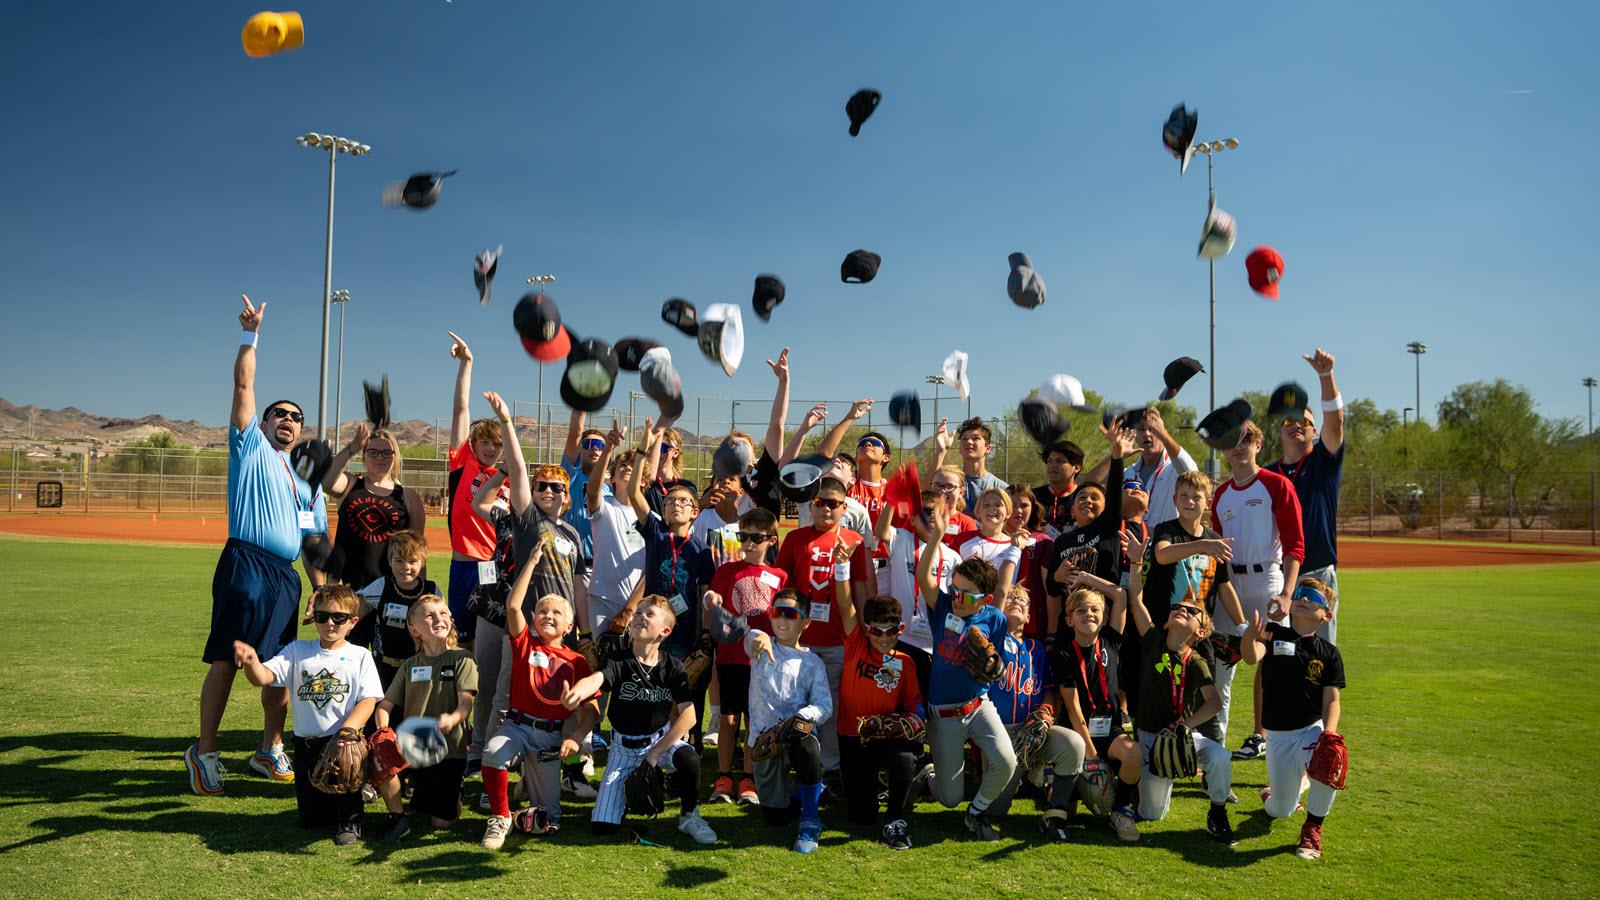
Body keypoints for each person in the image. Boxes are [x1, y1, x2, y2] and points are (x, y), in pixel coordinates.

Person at [188, 295, 329, 796]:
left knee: (277, 671)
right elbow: (243, 383)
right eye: (279, 414)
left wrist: (320, 589)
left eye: (296, 417)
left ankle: (268, 749)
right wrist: (251, 335)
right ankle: (204, 752)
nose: (288, 420)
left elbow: (313, 539)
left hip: (284, 577)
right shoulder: (250, 448)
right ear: (264, 423)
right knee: (227, 662)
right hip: (245, 563)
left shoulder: (305, 479)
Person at [471, 392, 590, 796]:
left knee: (564, 705)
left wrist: (584, 632)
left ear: (567, 496)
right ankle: (493, 774)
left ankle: (566, 772)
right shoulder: (526, 521)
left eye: (558, 488)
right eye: (543, 486)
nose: (550, 492)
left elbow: (578, 586)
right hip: (526, 631)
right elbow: (518, 472)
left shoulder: (572, 534)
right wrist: (506, 420)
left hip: (565, 633)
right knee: (506, 702)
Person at [231, 584, 381, 845]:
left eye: (339, 618)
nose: (330, 623)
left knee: (345, 785)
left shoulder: (360, 656)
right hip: (306, 745)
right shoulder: (297, 651)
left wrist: (348, 731)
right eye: (323, 617)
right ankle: (333, 809)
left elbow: (368, 700)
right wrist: (252, 662)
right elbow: (264, 677)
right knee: (311, 820)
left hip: (341, 742)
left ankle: (351, 820)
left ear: (353, 622)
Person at [562, 595, 717, 845]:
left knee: (688, 757)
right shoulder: (618, 659)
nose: (639, 617)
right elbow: (597, 679)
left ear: (665, 631)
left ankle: (689, 815)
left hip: (660, 743)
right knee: (603, 828)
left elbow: (689, 715)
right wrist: (578, 692)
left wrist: (653, 757)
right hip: (623, 749)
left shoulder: (672, 666)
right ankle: (636, 792)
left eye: (649, 614)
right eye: (638, 612)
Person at [1123, 529, 1236, 846]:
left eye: (1191, 611)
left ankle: (1217, 811)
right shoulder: (1153, 641)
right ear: (1167, 621)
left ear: (1200, 632)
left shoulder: (1197, 661)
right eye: (1178, 608)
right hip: (1149, 739)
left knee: (1220, 757)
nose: (1182, 609)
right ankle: (1134, 792)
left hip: (1182, 738)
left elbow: (1213, 703)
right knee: (1152, 815)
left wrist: (1185, 726)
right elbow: (1136, 600)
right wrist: (1135, 563)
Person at [477, 553, 598, 847]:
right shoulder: (525, 644)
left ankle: (525, 789)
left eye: (557, 613)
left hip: (549, 738)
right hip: (516, 726)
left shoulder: (577, 661)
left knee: (550, 820)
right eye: (542, 611)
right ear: (533, 620)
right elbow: (513, 605)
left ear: (569, 627)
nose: (548, 615)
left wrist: (578, 737)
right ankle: (501, 817)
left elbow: (593, 710)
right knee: (493, 752)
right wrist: (529, 564)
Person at [915, 504, 1016, 842]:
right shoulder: (943, 606)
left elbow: (996, 667)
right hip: (943, 714)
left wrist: (994, 668)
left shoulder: (995, 619)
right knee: (948, 799)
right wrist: (936, 538)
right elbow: (923, 576)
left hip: (978, 705)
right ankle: (930, 776)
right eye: (954, 588)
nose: (956, 597)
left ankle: (976, 814)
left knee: (1006, 761)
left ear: (985, 598)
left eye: (964, 593)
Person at [1212, 420, 1304, 761]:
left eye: (1245, 440)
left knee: (1273, 666)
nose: (1238, 447)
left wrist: (1287, 594)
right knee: (1221, 667)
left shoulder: (1276, 485)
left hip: (1267, 581)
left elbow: (1296, 545)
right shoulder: (1220, 495)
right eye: (1231, 441)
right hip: (1229, 585)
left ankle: (1263, 736)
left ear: (1258, 445)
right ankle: (1215, 747)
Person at [774, 477, 873, 792]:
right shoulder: (795, 538)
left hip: (837, 639)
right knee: (794, 702)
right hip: (800, 640)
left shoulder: (854, 541)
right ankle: (798, 764)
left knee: (828, 706)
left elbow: (861, 592)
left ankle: (830, 767)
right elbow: (783, 588)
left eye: (833, 503)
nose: (826, 508)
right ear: (810, 505)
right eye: (820, 502)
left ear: (845, 508)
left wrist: (863, 637)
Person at [1240, 577, 1346, 861]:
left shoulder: (1329, 653)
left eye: (1313, 599)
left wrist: (1330, 733)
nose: (1303, 600)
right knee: (1280, 809)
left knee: (1328, 764)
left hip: (1310, 729)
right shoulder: (1273, 633)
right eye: (1300, 595)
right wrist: (1251, 635)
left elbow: (1332, 699)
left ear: (1327, 615)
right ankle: (1273, 795)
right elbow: (1251, 657)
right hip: (1278, 736)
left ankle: (1313, 828)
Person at [626, 419, 716, 747]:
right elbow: (636, 491)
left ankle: (683, 755)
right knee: (653, 701)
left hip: (685, 637)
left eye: (684, 502)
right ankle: (650, 754)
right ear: (662, 510)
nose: (676, 505)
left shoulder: (702, 551)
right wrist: (642, 451)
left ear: (695, 512)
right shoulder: (655, 533)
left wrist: (704, 637)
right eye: (670, 502)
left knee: (687, 699)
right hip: (653, 636)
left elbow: (704, 594)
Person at [1138, 471, 1248, 730]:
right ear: (1174, 500)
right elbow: (1163, 555)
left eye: (1196, 497)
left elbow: (1224, 586)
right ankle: (1159, 741)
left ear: (1207, 503)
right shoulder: (1167, 530)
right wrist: (1202, 546)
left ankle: (1202, 744)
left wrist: (1241, 625)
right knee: (1161, 691)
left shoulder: (1212, 539)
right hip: (1165, 633)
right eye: (1184, 496)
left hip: (1198, 633)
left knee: (1202, 692)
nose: (1189, 502)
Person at [830, 556, 924, 850]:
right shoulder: (856, 642)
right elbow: (846, 605)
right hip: (852, 736)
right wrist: (843, 567)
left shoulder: (906, 662)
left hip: (886, 737)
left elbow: (914, 705)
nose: (884, 638)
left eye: (891, 631)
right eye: (877, 631)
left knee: (905, 759)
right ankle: (891, 790)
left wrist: (915, 719)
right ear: (866, 629)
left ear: (901, 628)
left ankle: (895, 816)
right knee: (862, 816)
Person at [371, 595, 477, 843]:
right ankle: (403, 800)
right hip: (414, 750)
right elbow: (384, 706)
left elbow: (466, 704)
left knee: (442, 823)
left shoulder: (463, 659)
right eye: (429, 615)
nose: (438, 619)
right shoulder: (409, 666)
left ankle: (454, 789)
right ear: (413, 629)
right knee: (383, 757)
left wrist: (452, 719)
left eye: (442, 613)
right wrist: (383, 730)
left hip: (449, 750)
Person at [986, 587, 1087, 843]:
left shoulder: (1037, 649)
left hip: (1031, 731)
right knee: (995, 811)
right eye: (1010, 598)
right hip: (997, 733)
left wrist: (1046, 711)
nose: (1016, 602)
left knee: (1073, 744)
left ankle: (1055, 814)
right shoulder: (990, 641)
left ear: (1030, 616)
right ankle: (1030, 776)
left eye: (1023, 600)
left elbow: (1050, 690)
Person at [702, 508, 787, 806]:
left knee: (755, 719)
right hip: (730, 657)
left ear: (771, 540)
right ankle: (724, 775)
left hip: (763, 660)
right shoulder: (727, 570)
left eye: (756, 538)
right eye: (744, 537)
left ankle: (749, 777)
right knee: (727, 718)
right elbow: (712, 600)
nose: (748, 544)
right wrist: (711, 600)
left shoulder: (780, 576)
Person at [1263, 349, 1346, 645]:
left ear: (1313, 431)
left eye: (1305, 421)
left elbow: (1335, 422)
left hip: (1317, 576)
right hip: (1276, 576)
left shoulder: (1323, 462)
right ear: (1280, 430)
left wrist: (1326, 375)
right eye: (1289, 421)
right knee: (1276, 660)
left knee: (1319, 660)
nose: (1296, 424)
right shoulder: (1267, 475)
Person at [743, 589, 833, 854]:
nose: (782, 620)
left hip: (796, 735)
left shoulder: (813, 662)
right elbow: (744, 633)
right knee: (776, 819)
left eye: (791, 614)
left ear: (806, 622)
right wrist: (756, 636)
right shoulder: (758, 646)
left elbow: (824, 705)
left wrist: (802, 717)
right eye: (776, 613)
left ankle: (811, 819)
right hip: (765, 742)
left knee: (805, 743)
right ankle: (809, 790)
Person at [1053, 587, 1144, 842]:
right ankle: (1063, 788)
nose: (1088, 614)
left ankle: (1121, 810)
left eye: (1095, 610)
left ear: (1104, 618)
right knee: (1065, 810)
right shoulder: (1063, 653)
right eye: (1080, 610)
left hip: (1109, 730)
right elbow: (1073, 710)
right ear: (1069, 620)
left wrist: (1085, 578)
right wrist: (1092, 757)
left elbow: (1120, 595)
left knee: (1134, 753)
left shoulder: (1112, 642)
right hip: (1077, 733)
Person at [320, 421, 427, 629]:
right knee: (348, 654)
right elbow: (326, 481)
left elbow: (418, 552)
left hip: (391, 590)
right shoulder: (351, 485)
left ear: (395, 457)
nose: (380, 458)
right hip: (348, 588)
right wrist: (352, 447)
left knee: (387, 656)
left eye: (387, 453)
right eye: (373, 452)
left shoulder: (408, 497)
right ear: (364, 455)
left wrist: (420, 593)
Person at [1044, 423, 1136, 644]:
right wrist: (1058, 576)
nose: (1088, 500)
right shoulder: (1062, 541)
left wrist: (1117, 456)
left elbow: (1114, 494)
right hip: (1072, 621)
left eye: (1095, 497)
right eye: (1082, 497)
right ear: (1072, 510)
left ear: (1106, 508)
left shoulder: (1107, 529)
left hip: (1103, 618)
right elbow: (1052, 587)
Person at [444, 331, 504, 650]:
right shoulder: (462, 463)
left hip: (494, 569)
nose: (491, 448)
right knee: (462, 644)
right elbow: (461, 410)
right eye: (485, 442)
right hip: (465, 565)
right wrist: (467, 364)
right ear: (473, 443)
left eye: (497, 444)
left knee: (491, 644)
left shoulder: (505, 479)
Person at [873, 488, 955, 695]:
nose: (933, 517)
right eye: (926, 512)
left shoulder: (953, 557)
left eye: (938, 512)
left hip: (936, 643)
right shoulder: (902, 539)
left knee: (930, 699)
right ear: (912, 520)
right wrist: (892, 499)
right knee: (899, 697)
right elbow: (881, 531)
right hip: (902, 639)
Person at [355, 533, 439, 689]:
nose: (406, 567)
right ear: (390, 561)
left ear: (423, 562)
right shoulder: (381, 586)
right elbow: (354, 615)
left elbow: (443, 627)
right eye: (399, 561)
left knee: (414, 713)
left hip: (419, 668)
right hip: (384, 669)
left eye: (413, 561)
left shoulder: (431, 590)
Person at [559, 410, 609, 570]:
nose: (594, 448)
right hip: (569, 563)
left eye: (600, 445)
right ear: (580, 449)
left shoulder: (610, 490)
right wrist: (583, 403)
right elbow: (575, 433)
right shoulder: (570, 475)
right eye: (588, 444)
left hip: (599, 567)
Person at [930, 417, 1008, 514]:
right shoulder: (949, 481)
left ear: (988, 448)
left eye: (975, 438)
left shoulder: (1000, 488)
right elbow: (928, 494)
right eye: (964, 439)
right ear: (959, 449)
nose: (969, 442)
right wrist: (941, 451)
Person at [953, 487, 1022, 593]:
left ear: (1008, 512)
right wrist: (965, 566)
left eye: (998, 505)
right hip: (968, 605)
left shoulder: (1015, 545)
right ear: (977, 512)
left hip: (1001, 606)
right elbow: (949, 575)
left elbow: (1019, 586)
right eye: (986, 505)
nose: (992, 509)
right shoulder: (962, 539)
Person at [1006, 485, 1053, 638]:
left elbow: (1051, 591)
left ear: (1033, 508)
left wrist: (1051, 632)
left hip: (1032, 626)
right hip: (998, 622)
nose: (1018, 510)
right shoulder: (992, 540)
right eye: (1013, 505)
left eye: (1024, 505)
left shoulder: (1043, 542)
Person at [1032, 440, 1083, 538]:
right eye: (1049, 461)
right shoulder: (1033, 496)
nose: (1052, 465)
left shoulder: (1084, 498)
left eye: (1060, 461)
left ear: (1076, 467)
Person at [644, 426, 698, 518]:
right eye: (653, 448)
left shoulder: (687, 487)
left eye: (662, 448)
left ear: (675, 452)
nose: (657, 453)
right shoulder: (645, 486)